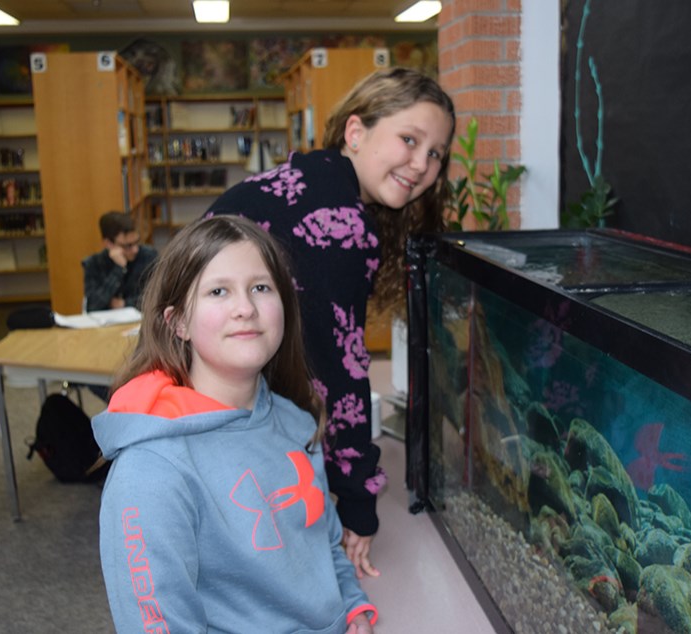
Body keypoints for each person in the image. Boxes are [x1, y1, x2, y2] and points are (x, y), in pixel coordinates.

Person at [206, 67, 456, 577]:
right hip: (217, 426)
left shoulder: (311, 178)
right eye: (409, 139)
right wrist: (358, 506)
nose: (422, 164)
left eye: (435, 153)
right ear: (356, 132)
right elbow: (340, 372)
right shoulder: (339, 221)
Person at [93, 215, 377, 633]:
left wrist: (352, 607)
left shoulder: (295, 421)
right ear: (178, 323)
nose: (245, 308)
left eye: (260, 288)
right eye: (218, 291)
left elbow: (322, 543)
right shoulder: (151, 471)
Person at [82, 210, 157, 311]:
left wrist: (124, 303)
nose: (135, 249)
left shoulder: (149, 256)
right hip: (107, 326)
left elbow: (158, 299)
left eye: (137, 242)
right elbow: (92, 307)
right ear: (108, 243)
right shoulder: (93, 264)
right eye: (128, 246)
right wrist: (118, 269)